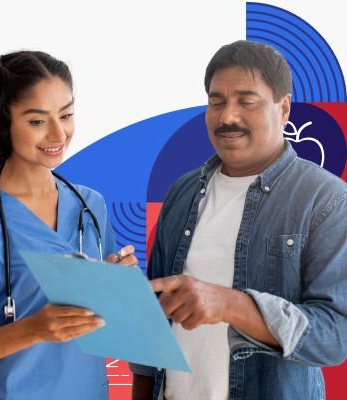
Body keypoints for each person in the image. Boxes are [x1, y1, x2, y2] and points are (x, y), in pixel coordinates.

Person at [131, 40, 347, 400]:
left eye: (246, 101)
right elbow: (153, 328)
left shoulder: (326, 199)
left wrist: (229, 304)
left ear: (284, 108)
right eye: (216, 102)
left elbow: (336, 336)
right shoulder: (181, 192)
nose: (227, 116)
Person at [0, 50, 137, 400]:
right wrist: (35, 329)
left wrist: (118, 283)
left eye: (66, 115)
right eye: (37, 121)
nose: (59, 133)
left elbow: (108, 320)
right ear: (1, 123)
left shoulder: (90, 206)